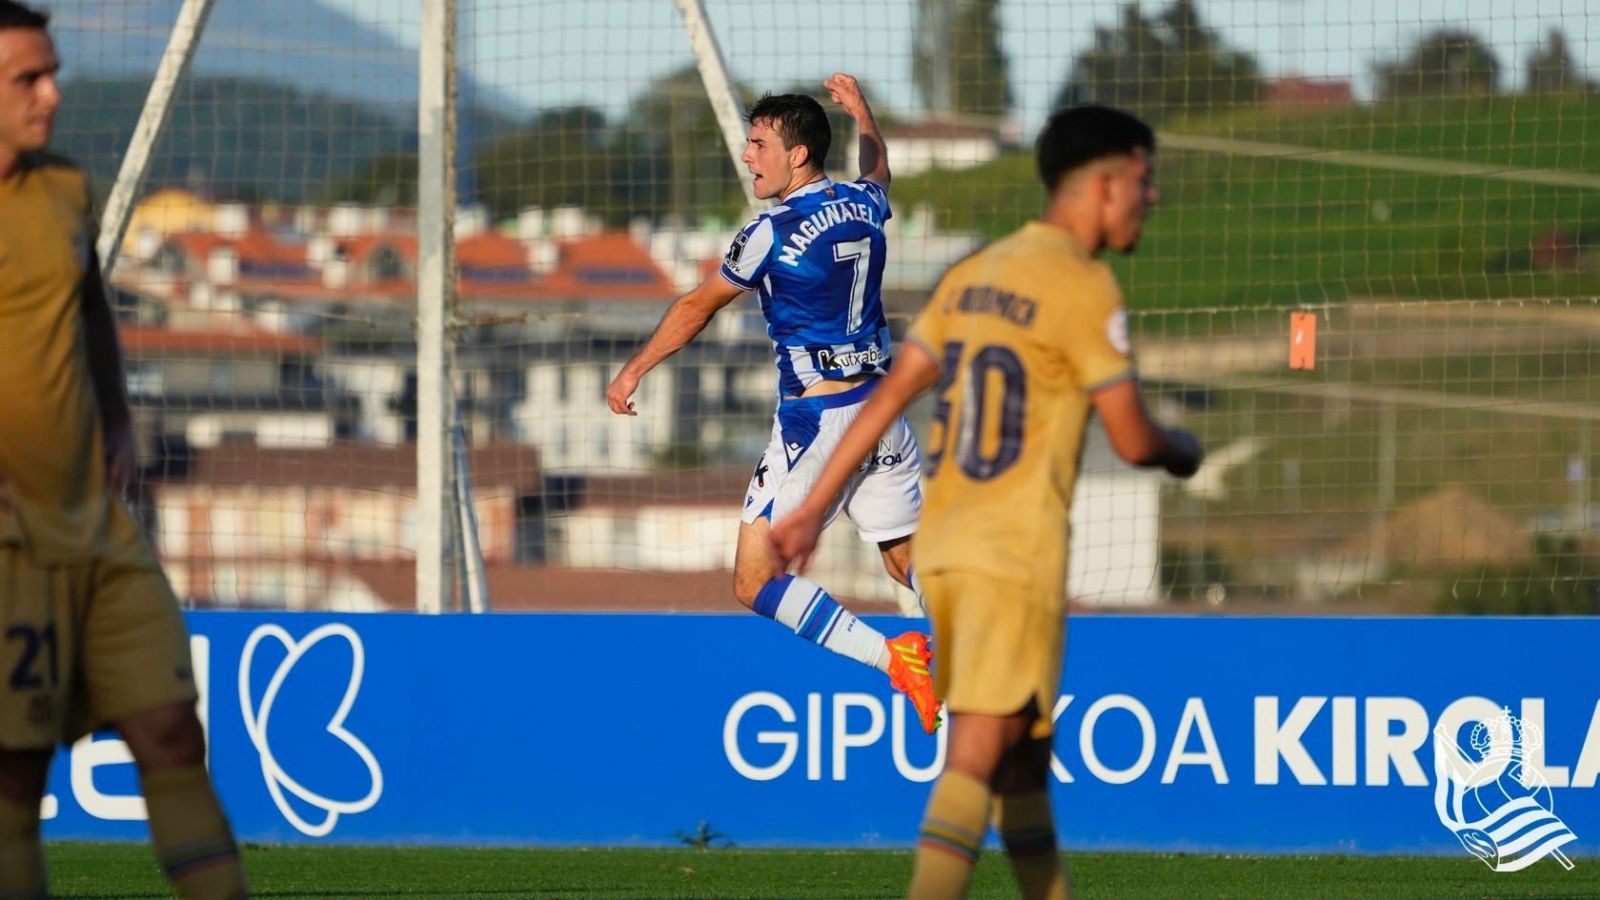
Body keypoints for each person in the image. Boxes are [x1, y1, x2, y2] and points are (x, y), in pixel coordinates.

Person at [771, 105, 1204, 899]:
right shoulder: (1082, 284)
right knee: (975, 756)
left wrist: (810, 508)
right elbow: (1136, 440)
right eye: (1145, 181)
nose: (1153, 198)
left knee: (1023, 766)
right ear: (1104, 185)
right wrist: (1185, 447)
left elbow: (886, 394)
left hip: (946, 547)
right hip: (1015, 555)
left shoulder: (974, 275)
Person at [0, 3, 248, 897]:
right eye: (28, 77)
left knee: (175, 733)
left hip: (99, 532)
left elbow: (91, 307)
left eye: (52, 71)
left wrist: (116, 419)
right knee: (15, 782)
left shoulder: (64, 187)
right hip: (9, 551)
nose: (52, 93)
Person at [605, 74, 940, 733]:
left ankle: (896, 658)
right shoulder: (863, 204)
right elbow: (880, 167)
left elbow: (698, 306)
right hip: (884, 415)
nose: (748, 156)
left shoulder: (770, 230)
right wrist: (866, 114)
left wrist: (633, 370)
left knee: (754, 581)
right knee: (905, 558)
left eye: (758, 143)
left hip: (820, 423)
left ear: (799, 155)